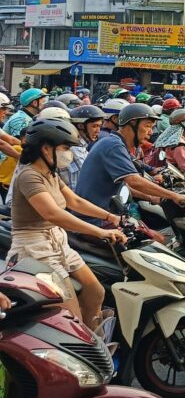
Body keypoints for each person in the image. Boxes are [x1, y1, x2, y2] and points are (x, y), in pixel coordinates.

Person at [4, 118, 127, 330]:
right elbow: (52, 213)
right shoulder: (28, 175)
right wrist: (100, 232)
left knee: (95, 292)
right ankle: (81, 351)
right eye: (65, 147)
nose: (68, 153)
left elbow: (75, 201)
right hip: (35, 249)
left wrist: (109, 217)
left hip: (57, 241)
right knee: (70, 315)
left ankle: (93, 346)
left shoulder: (50, 173)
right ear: (45, 148)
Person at [76, 103, 185, 221]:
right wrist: (174, 196)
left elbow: (125, 185)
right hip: (94, 218)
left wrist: (153, 197)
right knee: (155, 239)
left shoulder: (117, 143)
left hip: (103, 213)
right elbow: (134, 181)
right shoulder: (113, 145)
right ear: (133, 123)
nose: (150, 132)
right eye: (148, 126)